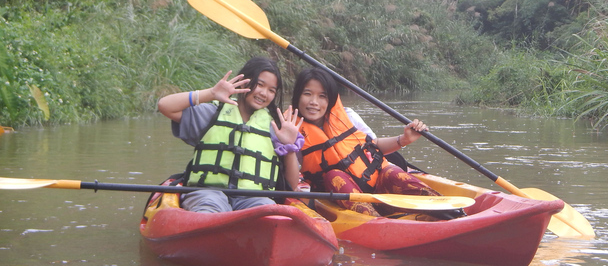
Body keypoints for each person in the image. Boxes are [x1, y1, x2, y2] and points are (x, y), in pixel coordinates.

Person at [157, 56, 304, 213]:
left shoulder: (275, 127)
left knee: (267, 212)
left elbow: (292, 185)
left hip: (254, 198)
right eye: (259, 84)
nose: (264, 93)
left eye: (271, 90)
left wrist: (289, 147)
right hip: (208, 193)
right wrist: (211, 93)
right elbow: (165, 106)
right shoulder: (213, 113)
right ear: (245, 81)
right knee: (209, 208)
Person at [291, 67, 441, 216]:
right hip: (339, 196)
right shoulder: (290, 129)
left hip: (376, 184)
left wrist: (404, 139)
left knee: (392, 172)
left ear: (330, 99)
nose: (314, 102)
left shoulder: (348, 116)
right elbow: (290, 181)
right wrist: (288, 144)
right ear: (298, 96)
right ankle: (378, 223)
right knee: (334, 175)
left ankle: (443, 209)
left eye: (322, 96)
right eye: (307, 94)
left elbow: (374, 145)